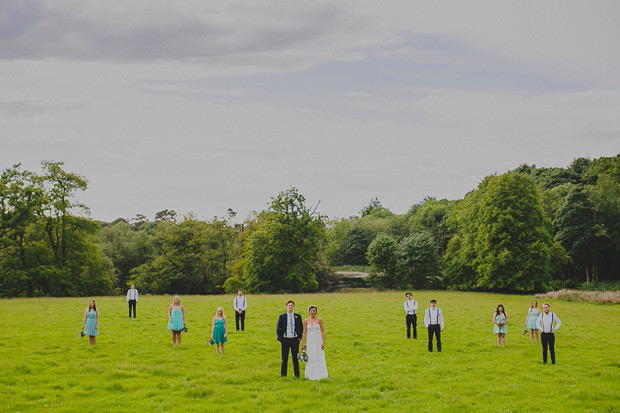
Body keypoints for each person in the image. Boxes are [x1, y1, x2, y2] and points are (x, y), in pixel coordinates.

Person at [300, 305, 328, 381]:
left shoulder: (319, 320)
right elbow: (304, 333)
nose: (312, 312)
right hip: (310, 341)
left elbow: (322, 331)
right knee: (311, 356)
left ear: (316, 312)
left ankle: (319, 373)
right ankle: (310, 374)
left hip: (318, 340)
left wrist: (323, 342)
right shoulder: (305, 321)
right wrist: (302, 344)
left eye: (314, 311)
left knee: (318, 356)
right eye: (311, 311)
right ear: (309, 312)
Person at [276, 300, 303, 377]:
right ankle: (283, 375)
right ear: (286, 306)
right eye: (289, 305)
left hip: (294, 340)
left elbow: (301, 328)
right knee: (284, 358)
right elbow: (278, 328)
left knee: (295, 358)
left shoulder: (297, 316)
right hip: (285, 339)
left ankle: (297, 375)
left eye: (292, 305)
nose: (290, 307)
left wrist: (299, 338)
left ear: (293, 307)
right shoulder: (282, 316)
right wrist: (281, 339)